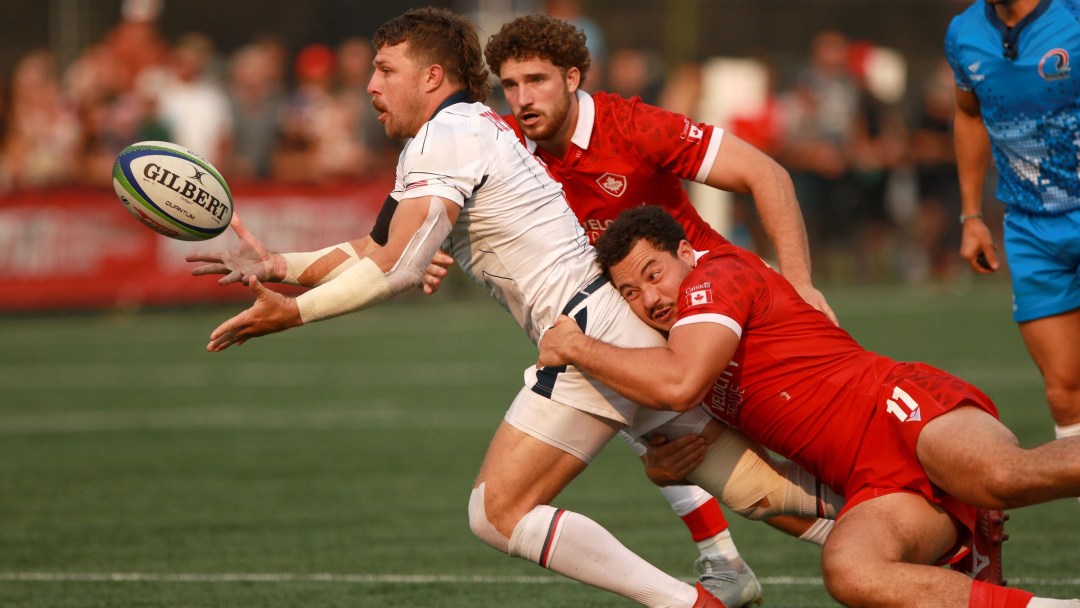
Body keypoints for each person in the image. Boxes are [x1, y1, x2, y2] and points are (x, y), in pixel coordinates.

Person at [186, 8, 841, 608]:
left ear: (432, 76)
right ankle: (930, 537)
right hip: (628, 323)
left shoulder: (448, 135)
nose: (370, 87)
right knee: (759, 486)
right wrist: (276, 267)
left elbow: (399, 265)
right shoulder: (471, 128)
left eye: (385, 70)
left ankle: (693, 602)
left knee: (497, 512)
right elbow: (379, 249)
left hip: (599, 326)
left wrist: (293, 314)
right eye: (512, 83)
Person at [427, 13, 838, 605]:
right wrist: (430, 251)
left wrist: (798, 282)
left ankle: (930, 539)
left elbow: (764, 173)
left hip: (729, 313)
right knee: (724, 471)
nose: (522, 99)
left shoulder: (631, 125)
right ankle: (727, 561)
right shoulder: (517, 156)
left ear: (574, 78)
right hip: (651, 333)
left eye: (537, 80)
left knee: (820, 454)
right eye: (510, 85)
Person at [537, 204, 1080, 608]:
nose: (649, 299)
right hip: (872, 484)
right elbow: (708, 450)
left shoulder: (714, 277)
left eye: (653, 275)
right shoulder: (672, 344)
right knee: (848, 570)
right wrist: (663, 469)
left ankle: (980, 509)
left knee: (1005, 477)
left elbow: (679, 386)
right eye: (630, 292)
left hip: (898, 408)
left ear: (684, 254)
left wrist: (576, 345)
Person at [946, 0, 1080, 462]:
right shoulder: (963, 34)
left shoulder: (1073, 16)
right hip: (1031, 229)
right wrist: (971, 217)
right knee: (1064, 391)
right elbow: (968, 116)